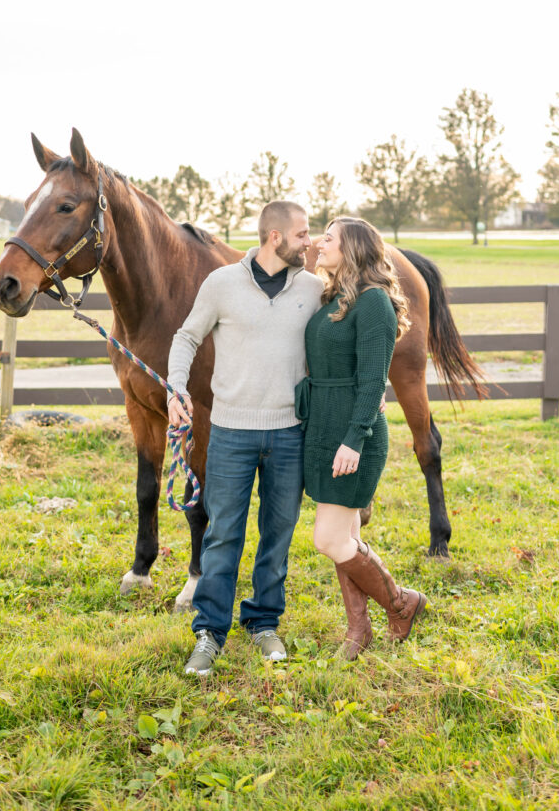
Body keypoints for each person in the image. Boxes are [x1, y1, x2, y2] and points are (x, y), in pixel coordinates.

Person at [167, 200, 324, 676]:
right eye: (302, 234)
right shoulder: (222, 284)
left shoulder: (314, 288)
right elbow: (186, 337)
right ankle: (209, 632)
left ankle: (263, 622)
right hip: (232, 432)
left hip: (289, 433)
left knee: (277, 534)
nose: (310, 241)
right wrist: (176, 387)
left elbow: (345, 340)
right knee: (222, 535)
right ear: (274, 237)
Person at [297, 217, 426, 660]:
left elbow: (373, 381)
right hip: (323, 426)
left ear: (352, 248)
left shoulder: (374, 304)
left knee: (329, 539)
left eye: (328, 238)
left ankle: (401, 602)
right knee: (346, 533)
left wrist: (354, 439)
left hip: (354, 433)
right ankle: (359, 629)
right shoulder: (335, 295)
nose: (319, 243)